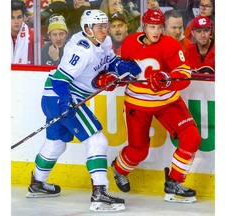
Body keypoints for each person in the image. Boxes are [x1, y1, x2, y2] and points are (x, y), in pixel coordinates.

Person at [26, 9, 141, 212]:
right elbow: (61, 79)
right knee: (97, 140)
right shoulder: (80, 50)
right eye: (100, 27)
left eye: (105, 26)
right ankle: (99, 193)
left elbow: (109, 60)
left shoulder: (102, 41)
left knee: (56, 143)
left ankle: (37, 183)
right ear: (88, 29)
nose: (105, 31)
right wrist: (65, 102)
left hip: (55, 96)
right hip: (62, 96)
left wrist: (121, 65)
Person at [111, 8, 201, 203]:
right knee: (138, 151)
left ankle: (174, 181)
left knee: (192, 137)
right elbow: (117, 66)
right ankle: (119, 169)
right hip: (137, 104)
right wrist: (118, 71)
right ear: (144, 27)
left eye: (160, 27)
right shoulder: (129, 42)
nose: (156, 32)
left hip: (167, 102)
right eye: (152, 27)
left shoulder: (171, 45)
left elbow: (184, 76)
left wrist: (168, 80)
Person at [11, 0, 44, 64]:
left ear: (24, 17)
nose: (16, 22)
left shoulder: (35, 37)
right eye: (12, 18)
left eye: (19, 17)